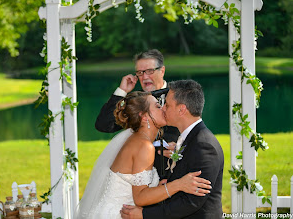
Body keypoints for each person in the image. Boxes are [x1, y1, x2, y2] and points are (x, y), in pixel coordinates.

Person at [76, 91, 212, 219]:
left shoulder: (139, 141)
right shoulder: (144, 146)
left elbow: (135, 185)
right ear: (145, 116)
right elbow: (140, 198)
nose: (164, 108)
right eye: (158, 106)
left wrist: (158, 187)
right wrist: (179, 184)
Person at [120, 80, 224, 219]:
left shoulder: (204, 146)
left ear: (181, 109)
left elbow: (191, 202)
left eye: (167, 105)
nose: (163, 109)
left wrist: (144, 214)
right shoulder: (190, 139)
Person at [95, 49, 180, 177]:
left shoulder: (180, 96)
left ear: (162, 71)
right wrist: (122, 91)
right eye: (140, 72)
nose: (145, 77)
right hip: (139, 176)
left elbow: (192, 129)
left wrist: (180, 146)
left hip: (173, 174)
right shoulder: (135, 102)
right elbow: (104, 125)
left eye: (150, 71)